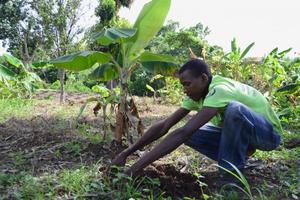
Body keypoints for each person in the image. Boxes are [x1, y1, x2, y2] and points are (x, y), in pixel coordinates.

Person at [111, 58, 282, 179]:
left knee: (234, 110)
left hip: (268, 135)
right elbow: (164, 126)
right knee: (192, 132)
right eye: (182, 85)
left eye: (187, 84)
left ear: (203, 79)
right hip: (247, 134)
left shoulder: (219, 89)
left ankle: (231, 176)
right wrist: (126, 153)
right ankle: (239, 155)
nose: (185, 90)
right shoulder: (197, 94)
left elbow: (183, 132)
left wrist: (136, 167)